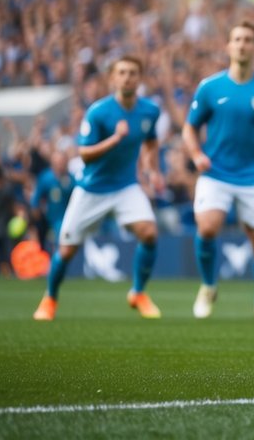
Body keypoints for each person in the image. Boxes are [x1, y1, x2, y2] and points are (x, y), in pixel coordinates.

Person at [33, 56, 164, 321]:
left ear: (140, 79)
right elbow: (84, 153)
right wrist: (115, 139)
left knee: (149, 233)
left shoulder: (150, 111)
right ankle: (50, 299)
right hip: (92, 189)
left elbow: (150, 142)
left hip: (126, 186)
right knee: (67, 250)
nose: (127, 77)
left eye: (133, 73)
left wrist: (152, 170)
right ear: (113, 78)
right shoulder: (99, 112)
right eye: (122, 72)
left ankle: (138, 293)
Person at [182, 22, 254, 323]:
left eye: (248, 40)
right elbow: (190, 127)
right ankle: (208, 286)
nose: (242, 45)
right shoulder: (210, 87)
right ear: (228, 46)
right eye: (237, 40)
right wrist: (196, 154)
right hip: (215, 173)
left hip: (253, 176)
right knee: (207, 228)